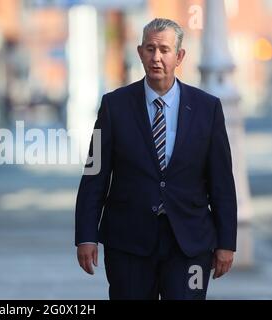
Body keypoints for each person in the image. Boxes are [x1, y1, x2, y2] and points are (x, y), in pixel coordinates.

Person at [75, 18, 237, 300]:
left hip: (190, 244)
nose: (156, 57)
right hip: (129, 244)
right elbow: (94, 175)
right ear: (140, 53)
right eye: (150, 49)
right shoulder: (114, 106)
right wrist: (86, 235)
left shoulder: (207, 109)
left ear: (180, 56)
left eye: (164, 49)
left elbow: (221, 181)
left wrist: (226, 242)